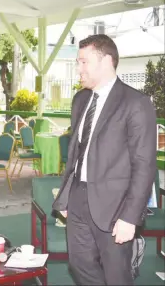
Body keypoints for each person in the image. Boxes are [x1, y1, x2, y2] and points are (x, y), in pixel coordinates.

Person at [52, 34, 157, 285]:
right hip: (78, 199)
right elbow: (77, 153)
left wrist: (130, 217)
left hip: (115, 206)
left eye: (83, 62)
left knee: (116, 275)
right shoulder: (80, 100)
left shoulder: (137, 103)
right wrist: (67, 195)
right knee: (80, 268)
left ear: (106, 61)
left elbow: (144, 165)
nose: (78, 69)